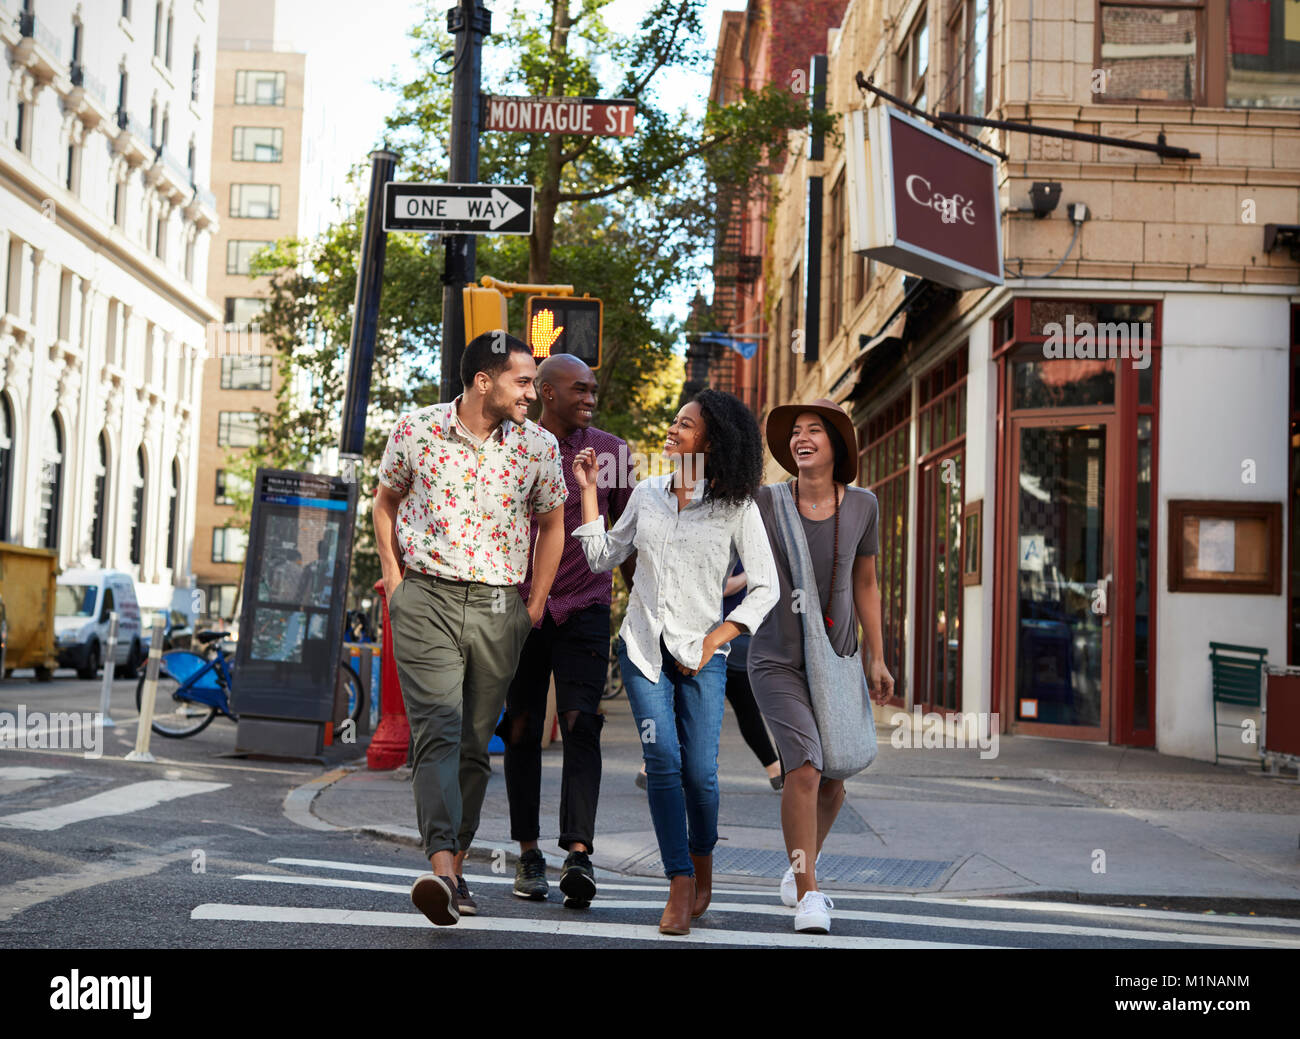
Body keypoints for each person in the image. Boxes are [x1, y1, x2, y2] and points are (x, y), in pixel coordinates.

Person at [374, 332, 567, 927]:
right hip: (426, 596)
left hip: (497, 607)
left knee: (474, 743)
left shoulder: (537, 446)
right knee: (438, 728)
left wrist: (533, 605)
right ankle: (443, 870)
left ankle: (455, 857)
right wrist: (394, 579)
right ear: (484, 380)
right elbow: (384, 501)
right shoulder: (415, 430)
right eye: (523, 381)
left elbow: (554, 522)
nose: (533, 393)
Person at [572, 389, 778, 936]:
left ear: (711, 443)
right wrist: (591, 492)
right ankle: (680, 879)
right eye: (675, 421)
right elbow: (602, 556)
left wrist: (717, 640)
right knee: (662, 760)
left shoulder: (736, 507)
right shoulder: (647, 493)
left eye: (685, 425)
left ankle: (704, 859)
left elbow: (766, 588)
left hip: (702, 655)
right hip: (643, 648)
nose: (673, 429)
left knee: (700, 775)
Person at [748, 398, 894, 935]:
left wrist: (876, 657)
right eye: (795, 432)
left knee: (834, 780)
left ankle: (799, 865)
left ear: (837, 443)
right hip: (776, 658)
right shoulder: (764, 502)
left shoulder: (863, 507)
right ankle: (809, 893)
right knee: (805, 767)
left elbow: (866, 583)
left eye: (814, 430)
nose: (800, 438)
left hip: (836, 657)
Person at [499, 353, 637, 909]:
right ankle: (529, 853)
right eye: (579, 389)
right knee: (522, 727)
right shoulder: (511, 447)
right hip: (518, 608)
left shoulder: (612, 453)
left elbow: (628, 539)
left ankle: (578, 854)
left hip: (584, 607)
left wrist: (644, 613)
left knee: (583, 724)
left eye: (593, 389)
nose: (590, 397)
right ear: (547, 394)